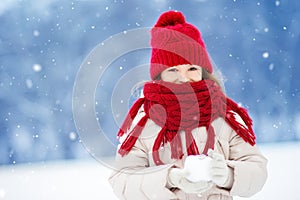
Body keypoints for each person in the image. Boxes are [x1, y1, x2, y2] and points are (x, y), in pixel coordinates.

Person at [109, 10, 267, 200]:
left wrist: (228, 175)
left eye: (191, 68)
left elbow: (257, 169)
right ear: (159, 75)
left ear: (202, 71)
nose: (183, 78)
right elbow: (121, 181)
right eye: (173, 69)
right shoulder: (144, 119)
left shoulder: (224, 115)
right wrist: (169, 178)